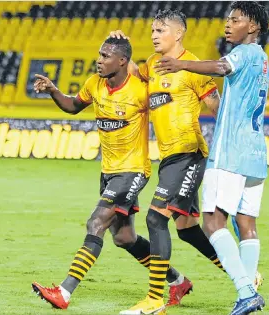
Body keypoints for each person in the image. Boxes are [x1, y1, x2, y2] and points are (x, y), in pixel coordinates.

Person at [30, 37, 183, 312]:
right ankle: (177, 281)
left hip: (133, 170)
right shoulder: (94, 83)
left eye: (106, 55)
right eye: (99, 55)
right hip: (109, 172)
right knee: (125, 238)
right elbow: (73, 105)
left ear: (122, 61)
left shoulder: (140, 90)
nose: (99, 60)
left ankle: (64, 292)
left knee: (95, 223)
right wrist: (53, 90)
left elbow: (169, 108)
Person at [154, 2, 269, 314]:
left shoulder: (244, 53)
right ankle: (246, 293)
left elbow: (221, 68)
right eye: (228, 19)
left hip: (230, 151)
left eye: (236, 20)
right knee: (246, 224)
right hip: (256, 153)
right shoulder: (263, 59)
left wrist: (183, 66)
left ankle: (246, 291)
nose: (228, 25)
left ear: (254, 27)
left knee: (213, 221)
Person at [110, 9, 228, 315]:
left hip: (189, 154)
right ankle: (241, 275)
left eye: (160, 30)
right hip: (169, 159)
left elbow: (219, 109)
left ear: (178, 34)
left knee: (154, 219)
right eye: (152, 30)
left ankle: (153, 300)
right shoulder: (151, 65)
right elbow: (132, 72)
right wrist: (119, 44)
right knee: (187, 228)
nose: (154, 35)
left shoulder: (193, 68)